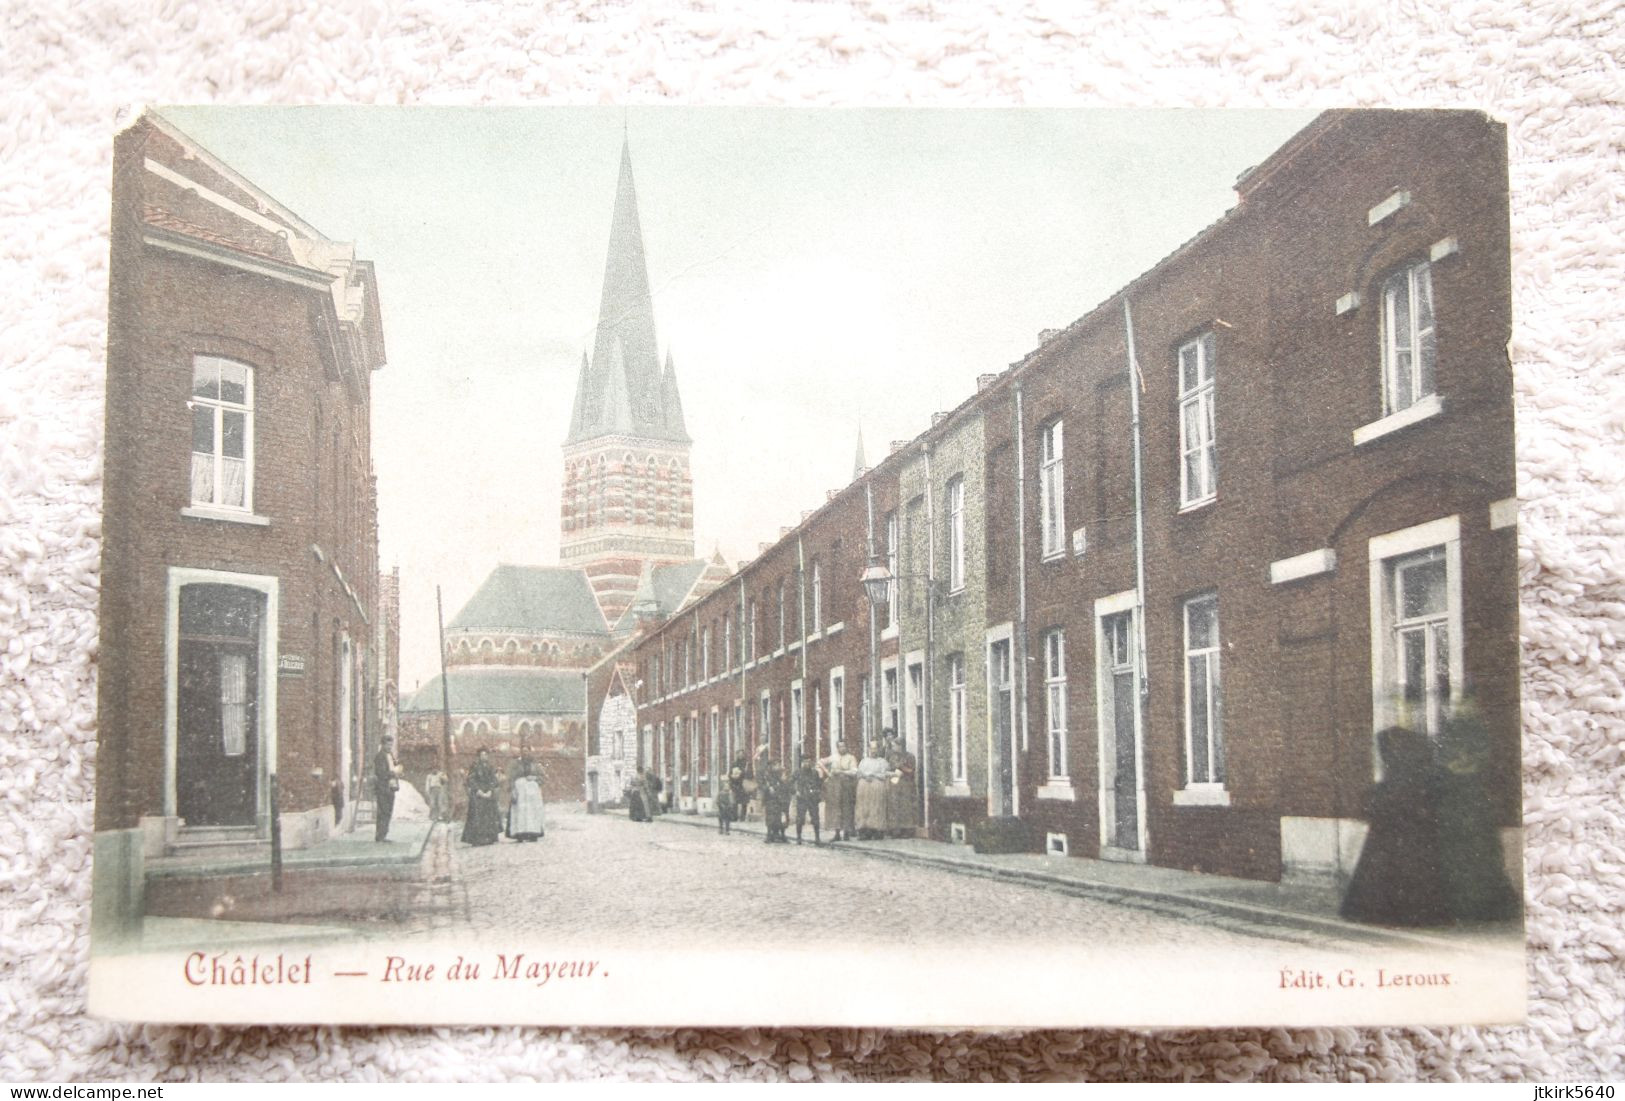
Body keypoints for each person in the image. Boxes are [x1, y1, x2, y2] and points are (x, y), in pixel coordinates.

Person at [1340, 727, 1452, 927]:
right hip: (1403, 830)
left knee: (1392, 866)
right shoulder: (1414, 779)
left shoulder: (1396, 782)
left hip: (1395, 831)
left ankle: (1392, 910)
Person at [1436, 708, 1520, 922]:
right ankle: (1474, 908)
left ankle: (1471, 908)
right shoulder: (1471, 767)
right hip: (1467, 817)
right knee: (1472, 862)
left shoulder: (1456, 770)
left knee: (1471, 862)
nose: (1462, 753)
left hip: (1467, 816)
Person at [463, 749, 503, 847]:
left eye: (486, 754)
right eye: (482, 754)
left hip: (488, 793)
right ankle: (477, 838)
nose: (484, 756)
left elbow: (493, 780)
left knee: (489, 815)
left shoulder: (490, 767)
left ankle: (489, 837)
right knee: (477, 816)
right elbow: (470, 779)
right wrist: (478, 790)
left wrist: (490, 790)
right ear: (479, 756)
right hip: (478, 794)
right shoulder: (474, 767)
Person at [855, 741, 893, 841]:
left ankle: (877, 831)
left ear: (878, 750)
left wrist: (874, 775)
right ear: (868, 749)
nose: (873, 751)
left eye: (875, 749)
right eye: (871, 749)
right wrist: (864, 776)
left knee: (877, 807)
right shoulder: (864, 761)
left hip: (877, 785)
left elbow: (885, 774)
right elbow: (859, 773)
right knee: (864, 808)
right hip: (864, 787)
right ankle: (864, 831)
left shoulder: (882, 762)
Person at [884, 732, 920, 839]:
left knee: (905, 806)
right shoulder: (892, 757)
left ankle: (907, 829)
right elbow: (888, 768)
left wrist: (901, 767)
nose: (893, 748)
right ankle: (895, 829)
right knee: (894, 806)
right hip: (894, 783)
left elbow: (911, 770)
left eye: (895, 745)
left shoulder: (909, 756)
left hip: (906, 784)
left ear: (901, 746)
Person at [822, 739, 858, 842]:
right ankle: (837, 833)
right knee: (835, 809)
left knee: (846, 808)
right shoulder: (833, 757)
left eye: (844, 746)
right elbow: (820, 762)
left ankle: (846, 832)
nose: (842, 748)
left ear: (847, 747)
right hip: (835, 786)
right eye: (840, 746)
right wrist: (827, 773)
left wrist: (842, 772)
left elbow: (854, 772)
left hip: (847, 785)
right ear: (837, 748)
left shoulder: (851, 758)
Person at [507, 756, 546, 842]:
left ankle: (533, 833)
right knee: (520, 812)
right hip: (520, 791)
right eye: (523, 751)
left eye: (527, 751)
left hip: (532, 793)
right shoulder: (516, 765)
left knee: (532, 813)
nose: (525, 753)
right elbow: (511, 778)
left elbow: (543, 777)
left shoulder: (536, 765)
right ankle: (519, 834)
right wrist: (513, 789)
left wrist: (534, 778)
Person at [372, 737, 402, 842]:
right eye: (388, 745)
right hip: (383, 787)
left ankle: (383, 835)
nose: (390, 747)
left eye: (391, 745)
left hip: (391, 787)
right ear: (383, 745)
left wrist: (398, 770)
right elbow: (381, 773)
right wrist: (393, 773)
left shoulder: (391, 756)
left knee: (388, 811)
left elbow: (394, 767)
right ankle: (380, 836)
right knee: (383, 812)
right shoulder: (379, 757)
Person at [758, 751, 790, 843]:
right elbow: (761, 786)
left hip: (782, 799)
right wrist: (768, 788)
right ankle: (769, 835)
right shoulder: (767, 775)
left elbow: (787, 787)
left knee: (782, 818)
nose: (778, 766)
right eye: (775, 764)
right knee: (771, 818)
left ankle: (782, 835)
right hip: (771, 800)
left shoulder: (782, 774)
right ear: (771, 766)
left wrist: (784, 781)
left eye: (779, 764)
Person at [792, 754, 824, 845]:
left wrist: (817, 790)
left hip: (812, 799)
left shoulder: (814, 773)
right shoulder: (798, 772)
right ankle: (799, 837)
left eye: (809, 761)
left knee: (815, 819)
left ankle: (817, 838)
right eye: (805, 762)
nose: (807, 763)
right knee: (800, 819)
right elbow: (790, 783)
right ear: (802, 763)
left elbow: (819, 784)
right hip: (802, 798)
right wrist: (795, 791)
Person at [728, 753, 750, 823]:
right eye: (739, 754)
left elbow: (750, 774)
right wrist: (733, 777)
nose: (741, 755)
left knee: (744, 802)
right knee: (735, 802)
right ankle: (734, 817)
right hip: (735, 785)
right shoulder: (734, 764)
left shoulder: (747, 764)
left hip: (743, 785)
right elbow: (729, 774)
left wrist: (743, 774)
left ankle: (742, 817)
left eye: (742, 754)